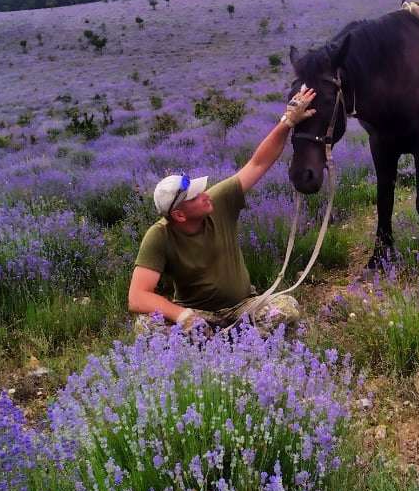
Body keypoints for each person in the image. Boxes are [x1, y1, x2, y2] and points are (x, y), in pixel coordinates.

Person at [128, 85, 317, 334]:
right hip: (196, 315)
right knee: (146, 326)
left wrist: (287, 121)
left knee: (286, 309)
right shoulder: (159, 235)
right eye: (195, 196)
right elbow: (137, 296)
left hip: (243, 307)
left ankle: (224, 345)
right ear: (179, 215)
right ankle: (228, 345)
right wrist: (182, 316)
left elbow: (258, 163)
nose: (205, 195)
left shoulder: (217, 201)